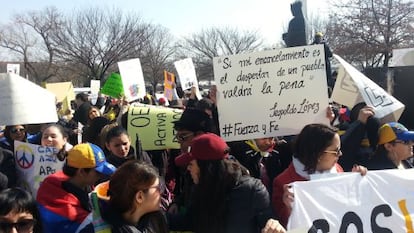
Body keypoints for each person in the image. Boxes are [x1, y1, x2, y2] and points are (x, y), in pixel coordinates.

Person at [170, 133, 286, 233]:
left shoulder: (252, 191)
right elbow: (189, 221)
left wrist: (273, 225)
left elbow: (268, 222)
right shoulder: (200, 190)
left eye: (191, 164)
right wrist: (156, 216)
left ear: (206, 168)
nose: (188, 169)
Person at [272, 123, 367, 228]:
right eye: (336, 151)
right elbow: (284, 226)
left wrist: (356, 180)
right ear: (318, 154)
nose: (340, 154)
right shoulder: (283, 183)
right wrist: (289, 208)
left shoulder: (337, 169)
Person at [36, 143, 116, 233]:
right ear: (82, 172)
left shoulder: (84, 185)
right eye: (97, 172)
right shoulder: (65, 210)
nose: (101, 175)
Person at [78, 161, 169, 233]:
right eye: (157, 188)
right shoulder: (95, 229)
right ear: (139, 197)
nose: (161, 192)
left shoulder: (156, 219)